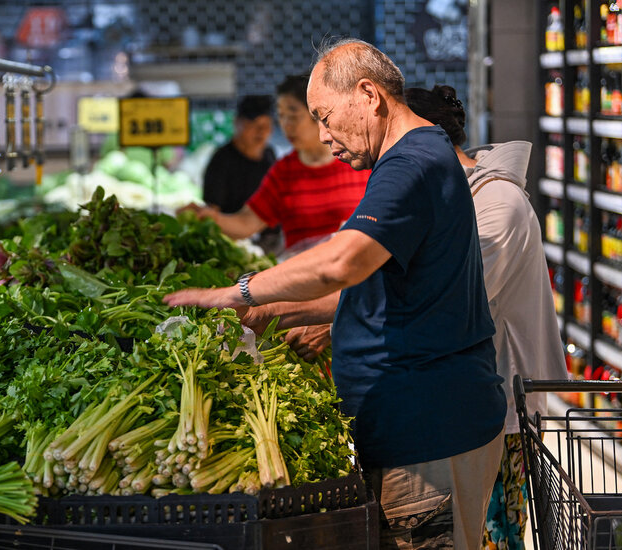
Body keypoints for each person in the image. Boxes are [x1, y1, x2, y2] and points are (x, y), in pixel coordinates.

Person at [164, 38, 506, 550]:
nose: (322, 135)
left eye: (324, 115)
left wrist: (235, 293)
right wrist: (280, 310)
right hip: (419, 429)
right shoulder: (415, 157)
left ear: (368, 93)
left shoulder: (410, 164)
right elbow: (383, 289)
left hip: (426, 434)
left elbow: (343, 262)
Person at [405, 85, 567, 550]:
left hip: (503, 406)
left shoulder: (497, 203)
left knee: (495, 534)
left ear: (426, 142)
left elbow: (457, 294)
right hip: (467, 399)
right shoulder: (452, 196)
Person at [185, 75, 370, 256]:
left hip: (359, 280)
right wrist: (209, 217)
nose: (286, 125)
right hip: (306, 281)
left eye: (293, 116)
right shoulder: (284, 172)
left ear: (319, 114)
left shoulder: (359, 161)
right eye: (281, 117)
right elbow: (246, 222)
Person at [201, 95, 276, 214]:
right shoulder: (222, 160)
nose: (261, 131)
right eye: (253, 125)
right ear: (237, 123)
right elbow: (213, 209)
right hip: (234, 230)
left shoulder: (269, 155)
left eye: (266, 125)